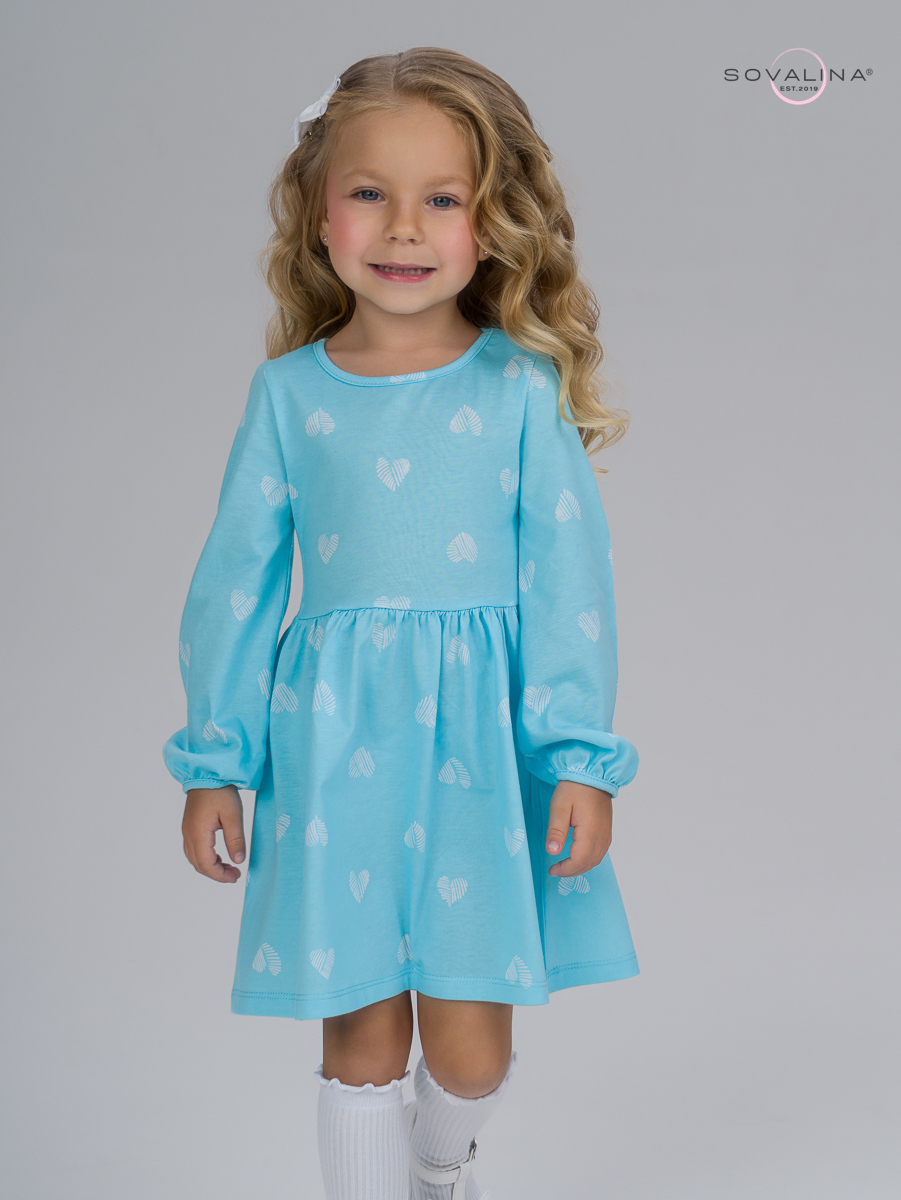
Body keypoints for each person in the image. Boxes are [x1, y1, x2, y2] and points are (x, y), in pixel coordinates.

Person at [163, 46, 640, 1200]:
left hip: (483, 751)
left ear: (493, 221)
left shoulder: (518, 389)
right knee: (360, 1036)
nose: (403, 230)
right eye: (370, 192)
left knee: (469, 1057)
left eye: (443, 200)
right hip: (335, 750)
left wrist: (579, 758)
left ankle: (437, 1166)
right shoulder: (290, 395)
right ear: (318, 208)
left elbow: (571, 587)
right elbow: (235, 583)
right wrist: (216, 762)